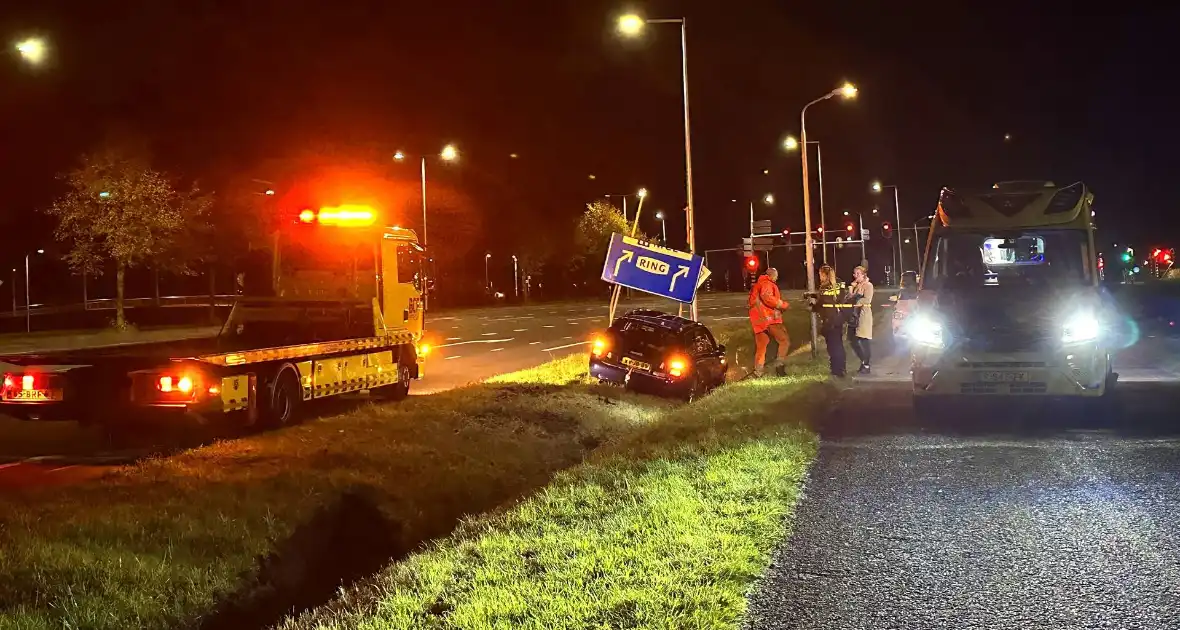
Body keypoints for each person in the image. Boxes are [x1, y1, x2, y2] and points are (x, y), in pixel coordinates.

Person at [747, 266, 790, 377]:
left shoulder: (757, 285)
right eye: (776, 276)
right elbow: (767, 297)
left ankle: (758, 372)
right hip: (769, 319)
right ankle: (779, 367)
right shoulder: (767, 284)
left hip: (758, 321)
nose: (776, 279)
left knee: (761, 346)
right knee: (784, 341)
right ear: (772, 276)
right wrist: (782, 305)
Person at [811, 265, 849, 377]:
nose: (819, 277)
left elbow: (821, 303)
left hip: (828, 320)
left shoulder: (824, 287)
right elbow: (840, 297)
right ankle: (842, 368)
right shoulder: (839, 283)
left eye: (820, 274)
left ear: (823, 274)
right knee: (839, 345)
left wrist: (812, 306)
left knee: (832, 347)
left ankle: (835, 370)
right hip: (838, 318)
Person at [848, 265, 874, 374]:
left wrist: (855, 301)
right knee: (852, 339)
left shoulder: (868, 285)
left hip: (863, 315)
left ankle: (866, 365)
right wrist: (851, 289)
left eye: (858, 274)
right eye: (855, 274)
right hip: (854, 316)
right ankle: (863, 361)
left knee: (863, 340)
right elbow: (848, 298)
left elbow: (867, 299)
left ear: (863, 275)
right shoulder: (855, 286)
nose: (856, 276)